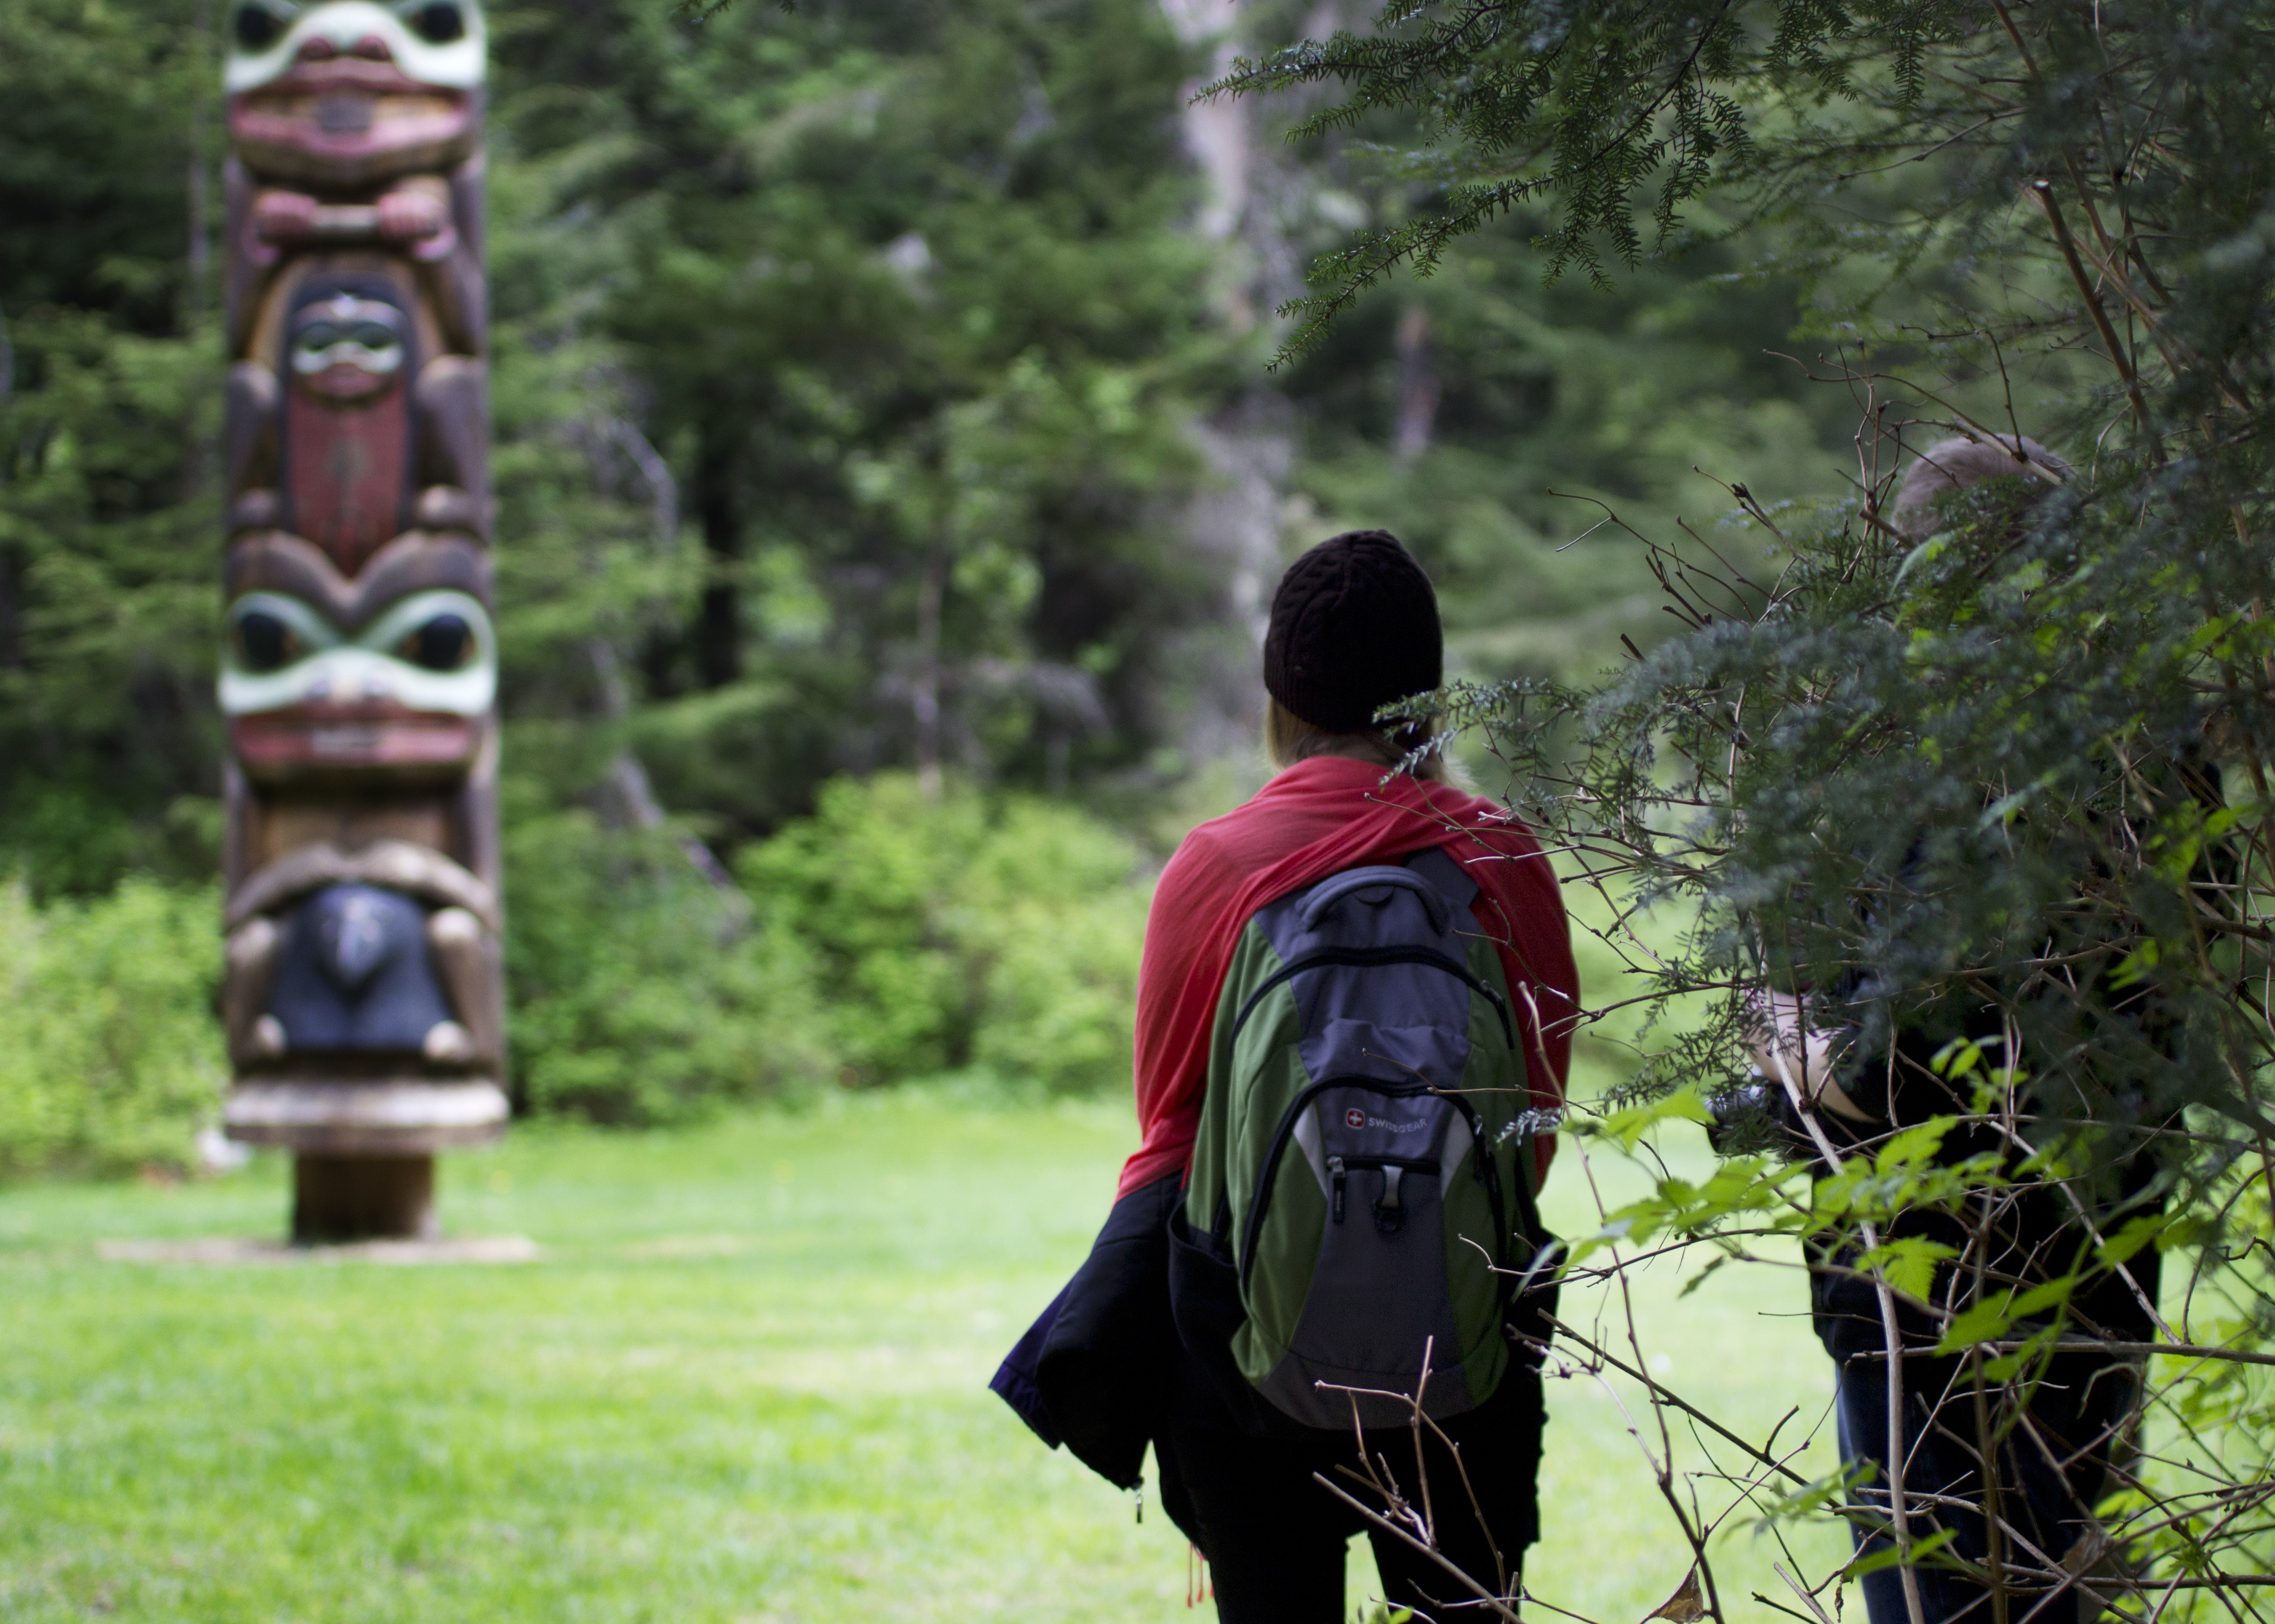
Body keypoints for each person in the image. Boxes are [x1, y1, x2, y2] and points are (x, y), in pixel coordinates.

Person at [995, 530, 1579, 1623]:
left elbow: (1171, 1133)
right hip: (1461, 1354)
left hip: (1241, 1366)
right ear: (1427, 696)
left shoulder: (1216, 863)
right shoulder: (1498, 854)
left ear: (1278, 695)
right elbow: (1529, 1128)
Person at [1737, 436, 2184, 1624]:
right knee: (2063, 1580)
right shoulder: (2135, 764)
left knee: (1952, 1593)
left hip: (1933, 1308)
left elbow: (1894, 1064)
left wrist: (1778, 1036)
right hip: (2101, 1272)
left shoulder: (1960, 777)